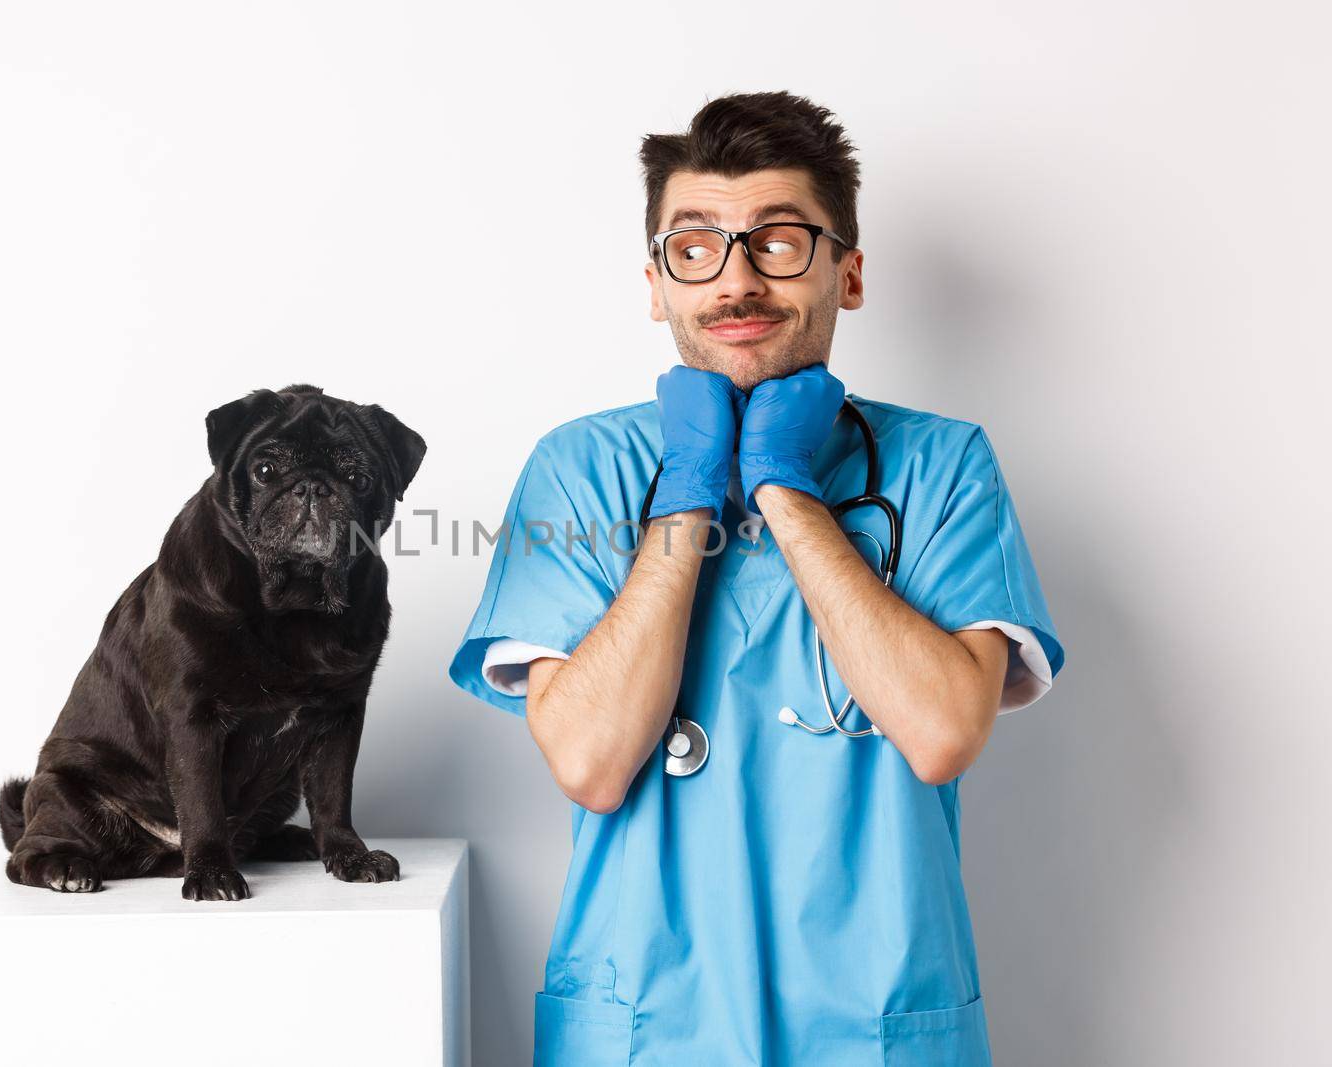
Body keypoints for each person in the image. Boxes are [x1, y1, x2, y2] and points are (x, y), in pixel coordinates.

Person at [447, 91, 1065, 1066]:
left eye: (776, 242)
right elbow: (591, 761)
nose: (735, 280)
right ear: (657, 284)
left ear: (846, 272)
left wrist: (786, 491)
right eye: (694, 249)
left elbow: (944, 730)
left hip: (872, 1025)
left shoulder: (943, 465)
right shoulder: (581, 469)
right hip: (648, 1027)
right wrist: (688, 493)